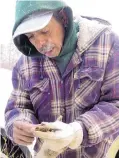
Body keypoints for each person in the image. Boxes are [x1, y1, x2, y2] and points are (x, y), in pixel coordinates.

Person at [4, 0, 119, 157]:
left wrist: (78, 131)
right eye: (31, 36)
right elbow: (18, 106)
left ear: (64, 18)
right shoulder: (25, 65)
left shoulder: (107, 46)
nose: (39, 43)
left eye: (44, 31)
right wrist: (19, 123)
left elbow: (116, 103)